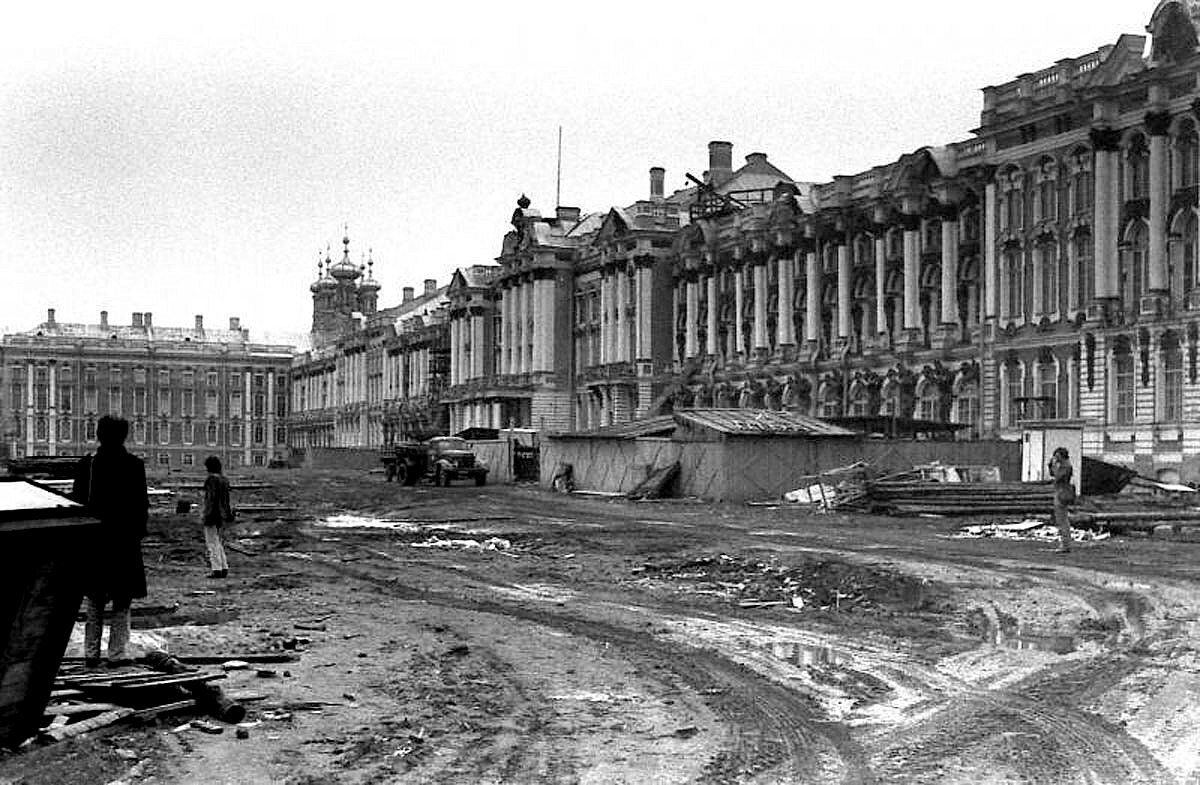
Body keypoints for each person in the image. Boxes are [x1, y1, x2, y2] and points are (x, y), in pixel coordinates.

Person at [71, 415, 149, 668]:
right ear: (124, 436)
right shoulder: (134, 465)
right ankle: (117, 654)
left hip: (95, 542)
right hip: (124, 543)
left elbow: (78, 504)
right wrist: (136, 534)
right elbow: (140, 507)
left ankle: (90, 653)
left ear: (98, 434)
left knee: (94, 599)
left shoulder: (88, 465)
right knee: (122, 600)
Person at [201, 455, 234, 578]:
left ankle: (216, 569)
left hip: (212, 514)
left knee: (212, 542)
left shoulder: (211, 480)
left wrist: (206, 514)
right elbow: (226, 500)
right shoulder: (224, 480)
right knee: (218, 541)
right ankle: (223, 567)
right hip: (222, 514)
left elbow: (210, 499)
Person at [1049, 447, 1076, 553]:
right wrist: (1051, 466)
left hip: (1062, 493)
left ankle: (1065, 545)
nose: (1055, 457)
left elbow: (1058, 477)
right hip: (1060, 491)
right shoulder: (1063, 465)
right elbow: (1053, 474)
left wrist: (1055, 467)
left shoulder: (1065, 466)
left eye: (1057, 455)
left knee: (1062, 520)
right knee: (1062, 519)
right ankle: (1065, 543)